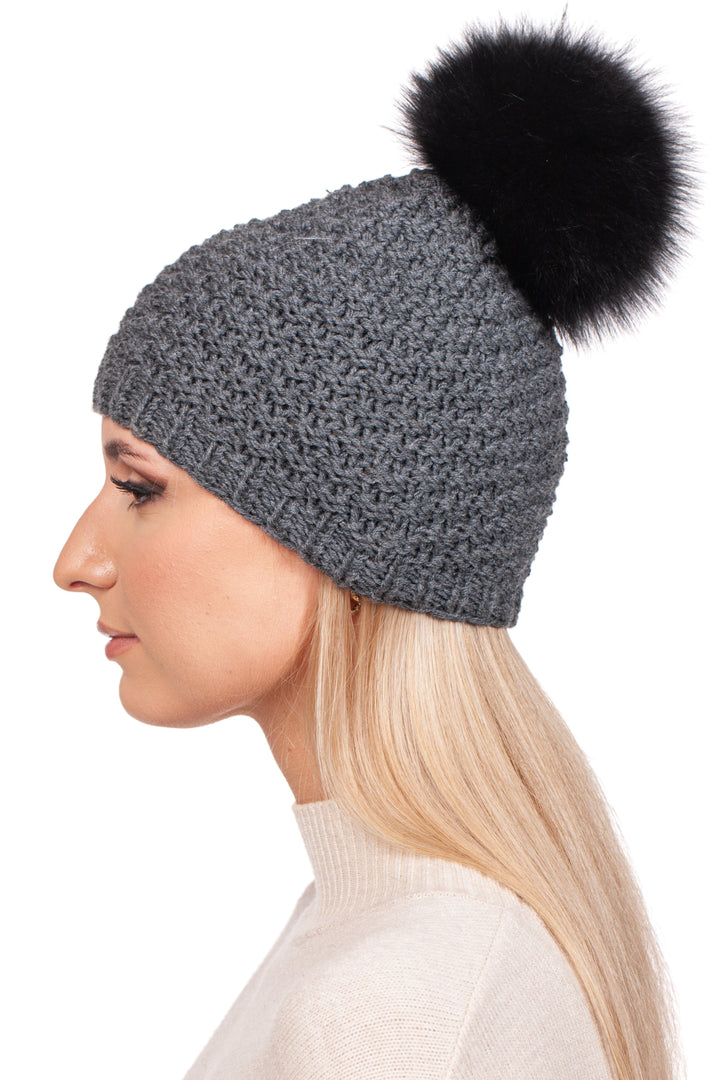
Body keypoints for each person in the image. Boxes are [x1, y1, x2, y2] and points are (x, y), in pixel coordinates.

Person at [53, 19, 691, 1080]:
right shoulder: (377, 929)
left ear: (347, 531)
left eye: (139, 488)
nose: (75, 561)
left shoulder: (389, 1007)